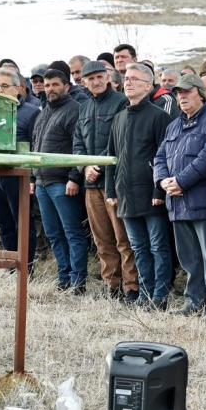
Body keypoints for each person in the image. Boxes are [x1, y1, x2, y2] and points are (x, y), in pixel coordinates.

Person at [154, 74, 206, 321]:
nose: (182, 97)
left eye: (187, 92)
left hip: (203, 202)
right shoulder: (174, 125)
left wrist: (180, 181)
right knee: (189, 259)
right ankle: (194, 303)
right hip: (176, 203)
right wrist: (163, 180)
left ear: (200, 93)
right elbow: (159, 157)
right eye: (179, 93)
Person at [107, 63, 174, 310]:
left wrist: (159, 191)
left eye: (135, 79)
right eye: (126, 78)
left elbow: (164, 157)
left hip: (151, 194)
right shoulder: (119, 118)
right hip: (125, 194)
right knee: (138, 248)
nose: (128, 82)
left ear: (147, 86)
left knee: (158, 247)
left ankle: (160, 295)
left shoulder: (159, 117)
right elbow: (111, 157)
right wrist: (110, 191)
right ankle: (146, 294)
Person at [72, 61, 138, 301]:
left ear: (108, 78)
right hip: (91, 185)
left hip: (114, 182)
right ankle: (112, 286)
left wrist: (96, 165)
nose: (96, 82)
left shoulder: (120, 101)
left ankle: (132, 287)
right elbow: (77, 144)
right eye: (91, 78)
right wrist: (84, 166)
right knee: (102, 240)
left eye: (100, 77)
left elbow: (121, 141)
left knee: (124, 239)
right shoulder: (84, 107)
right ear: (84, 82)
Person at [32, 69, 87, 294]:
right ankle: (63, 276)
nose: (50, 89)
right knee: (53, 233)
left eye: (55, 84)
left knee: (72, 232)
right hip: (43, 182)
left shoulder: (75, 110)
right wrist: (32, 176)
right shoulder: (44, 111)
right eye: (47, 85)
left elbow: (79, 146)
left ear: (67, 86)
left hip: (63, 182)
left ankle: (78, 281)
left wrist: (74, 177)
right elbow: (35, 145)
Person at [0, 68, 39, 268]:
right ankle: (11, 264)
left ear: (18, 88)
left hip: (19, 175)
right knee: (4, 223)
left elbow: (36, 145)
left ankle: (26, 265)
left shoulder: (31, 113)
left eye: (4, 86)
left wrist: (32, 178)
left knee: (22, 222)